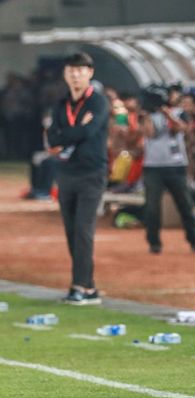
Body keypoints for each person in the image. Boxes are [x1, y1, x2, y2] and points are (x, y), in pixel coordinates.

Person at [46, 53, 109, 305]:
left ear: (90, 73)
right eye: (71, 70)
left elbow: (89, 131)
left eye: (80, 70)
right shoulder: (61, 104)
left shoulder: (98, 103)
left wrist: (66, 135)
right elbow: (52, 138)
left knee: (83, 230)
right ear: (65, 74)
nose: (75, 75)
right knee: (72, 231)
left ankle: (79, 286)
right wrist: (73, 132)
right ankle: (89, 287)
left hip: (91, 173)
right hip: (66, 173)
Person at [140, 88, 195, 255]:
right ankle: (154, 242)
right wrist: (149, 115)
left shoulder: (179, 113)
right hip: (153, 167)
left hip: (176, 166)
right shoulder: (147, 116)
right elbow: (149, 133)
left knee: (185, 204)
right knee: (152, 207)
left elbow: (181, 129)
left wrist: (167, 114)